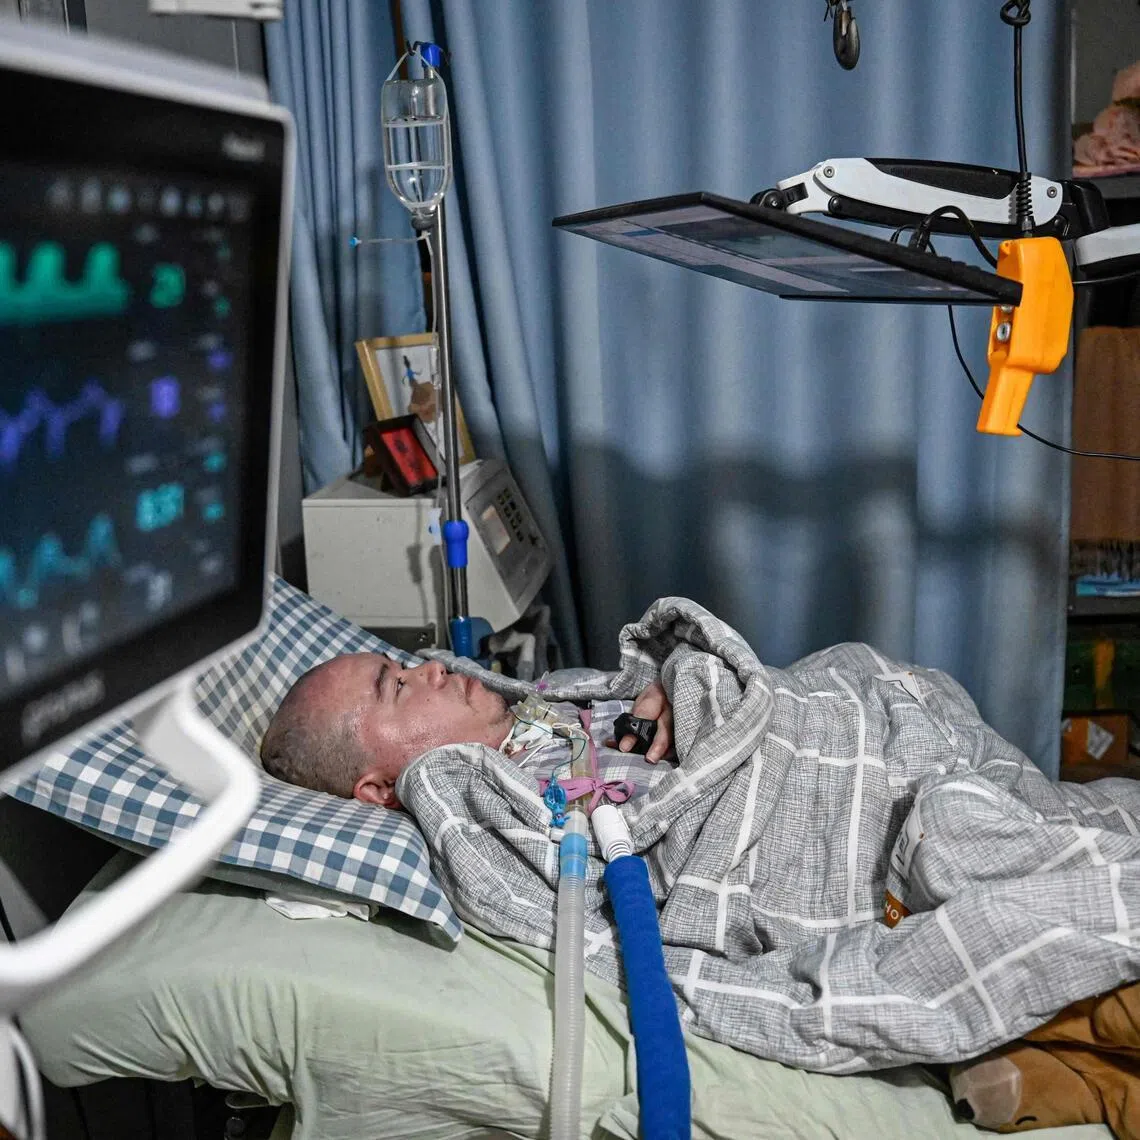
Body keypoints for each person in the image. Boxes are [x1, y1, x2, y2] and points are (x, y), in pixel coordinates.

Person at [259, 655, 674, 809]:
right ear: (380, 789)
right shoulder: (517, 821)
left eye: (404, 667)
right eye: (398, 685)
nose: (434, 669)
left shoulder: (559, 690)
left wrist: (670, 687)